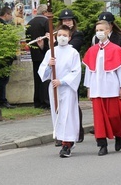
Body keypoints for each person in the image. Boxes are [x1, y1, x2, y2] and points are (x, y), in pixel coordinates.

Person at [83, 20, 121, 156]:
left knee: (114, 115)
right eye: (97, 31)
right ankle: (102, 144)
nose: (99, 33)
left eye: (102, 30)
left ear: (108, 31)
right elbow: (89, 71)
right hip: (97, 88)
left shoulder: (115, 49)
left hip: (111, 87)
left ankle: (118, 135)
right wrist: (89, 88)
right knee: (99, 118)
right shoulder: (92, 50)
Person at [38, 25, 81, 158]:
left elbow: (76, 71)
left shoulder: (73, 53)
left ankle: (67, 143)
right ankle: (63, 138)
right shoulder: (51, 52)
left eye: (65, 35)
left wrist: (62, 81)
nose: (62, 37)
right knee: (58, 113)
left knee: (67, 113)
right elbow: (43, 72)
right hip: (54, 88)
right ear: (56, 37)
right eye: (59, 35)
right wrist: (49, 66)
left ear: (69, 37)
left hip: (67, 87)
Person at [57, 8, 85, 143]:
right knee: (58, 105)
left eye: (69, 20)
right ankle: (61, 134)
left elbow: (72, 48)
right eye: (64, 20)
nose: (67, 22)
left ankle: (78, 131)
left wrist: (59, 40)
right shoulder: (57, 35)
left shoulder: (77, 35)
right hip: (58, 75)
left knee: (73, 103)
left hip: (71, 75)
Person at [26, 4, 50, 109]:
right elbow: (49, 36)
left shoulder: (30, 22)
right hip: (44, 53)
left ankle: (37, 101)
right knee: (45, 78)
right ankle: (45, 101)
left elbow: (27, 38)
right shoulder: (46, 22)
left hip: (34, 54)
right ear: (45, 13)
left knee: (37, 78)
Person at [0, 7, 16, 109]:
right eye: (10, 15)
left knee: (4, 78)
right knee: (3, 78)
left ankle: (2, 99)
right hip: (4, 55)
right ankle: (2, 100)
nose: (11, 17)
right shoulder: (0, 25)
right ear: (6, 14)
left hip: (4, 54)